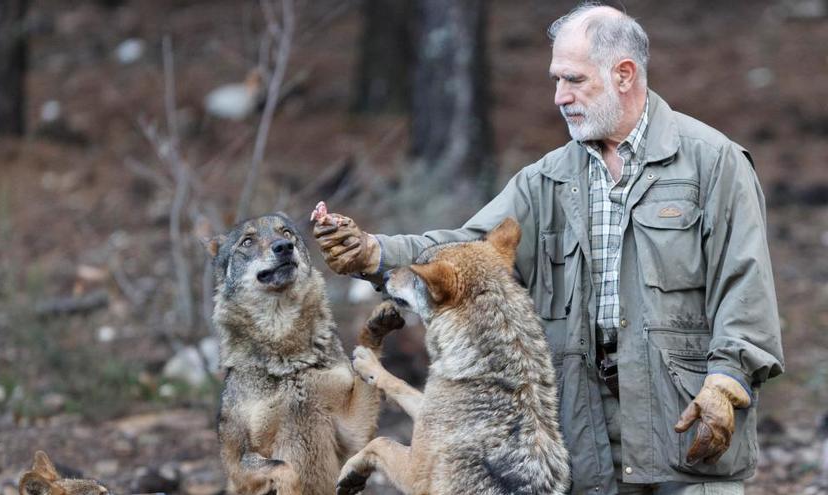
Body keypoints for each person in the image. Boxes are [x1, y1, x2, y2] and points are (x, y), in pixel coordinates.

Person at [313, 4, 784, 494]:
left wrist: (728, 381)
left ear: (623, 74)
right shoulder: (547, 179)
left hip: (687, 430)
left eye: (573, 80)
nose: (559, 97)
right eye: (556, 80)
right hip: (583, 441)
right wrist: (373, 253)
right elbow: (465, 252)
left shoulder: (714, 163)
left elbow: (745, 284)